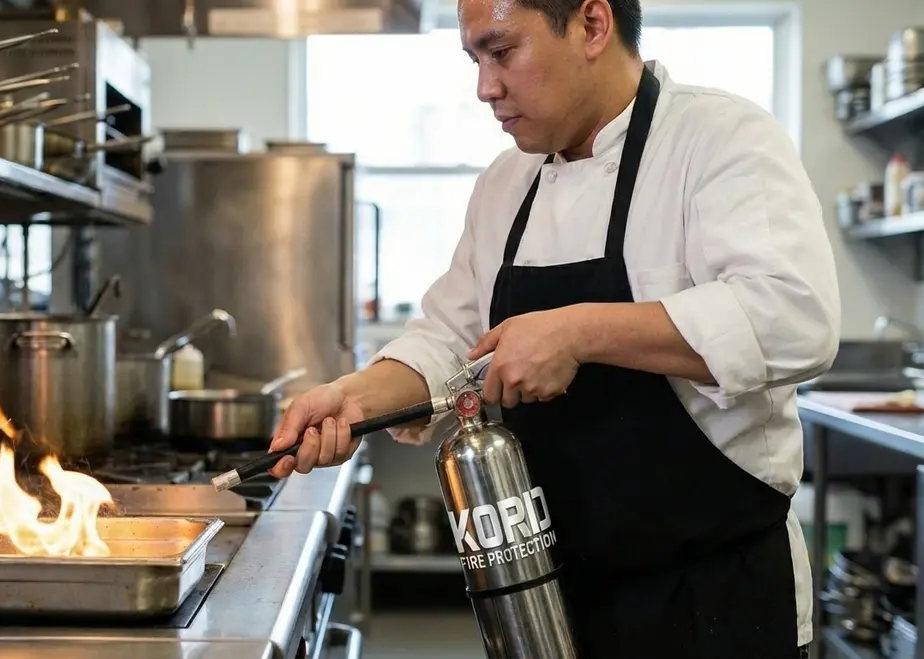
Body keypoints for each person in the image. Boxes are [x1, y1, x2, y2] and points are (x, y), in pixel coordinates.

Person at [268, 0, 840, 656]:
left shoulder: (718, 138)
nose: (485, 86)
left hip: (712, 604)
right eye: (475, 58)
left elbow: (796, 317)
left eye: (503, 51)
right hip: (547, 606)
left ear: (593, 25)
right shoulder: (505, 183)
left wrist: (578, 332)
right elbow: (448, 340)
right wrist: (356, 397)